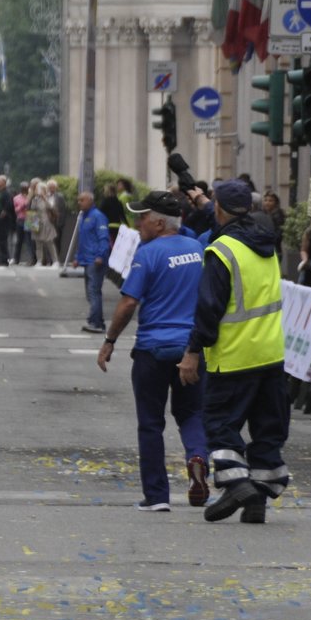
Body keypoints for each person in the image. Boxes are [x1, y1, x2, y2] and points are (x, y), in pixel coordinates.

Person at [181, 179, 288, 524]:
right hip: (270, 354)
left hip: (234, 355)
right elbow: (232, 227)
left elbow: (208, 307)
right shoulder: (266, 244)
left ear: (219, 209)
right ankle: (258, 498)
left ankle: (236, 481)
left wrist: (193, 351)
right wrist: (203, 203)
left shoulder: (221, 252)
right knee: (266, 427)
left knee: (219, 423)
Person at [96, 190, 209, 510]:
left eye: (142, 217)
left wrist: (110, 340)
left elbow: (129, 301)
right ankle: (198, 458)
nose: (137, 223)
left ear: (159, 223)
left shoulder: (148, 254)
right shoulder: (198, 250)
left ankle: (157, 496)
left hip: (153, 350)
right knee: (191, 414)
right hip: (191, 349)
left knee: (150, 422)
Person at [74, 190, 111, 333]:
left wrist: (101, 255)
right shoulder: (84, 216)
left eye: (82, 200)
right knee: (91, 292)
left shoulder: (98, 217)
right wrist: (78, 258)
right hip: (87, 259)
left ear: (90, 200)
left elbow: (103, 238)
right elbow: (83, 240)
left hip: (95, 261)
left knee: (94, 291)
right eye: (79, 200)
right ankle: (98, 321)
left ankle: (95, 322)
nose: (79, 203)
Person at [28, 182, 58, 266]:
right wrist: (32, 197)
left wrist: (44, 198)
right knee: (38, 243)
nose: (38, 191)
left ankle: (55, 261)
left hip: (46, 221)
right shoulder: (35, 199)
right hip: (36, 220)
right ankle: (39, 261)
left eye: (39, 189)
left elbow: (51, 207)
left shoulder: (48, 197)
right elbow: (31, 209)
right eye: (37, 189)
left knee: (49, 242)